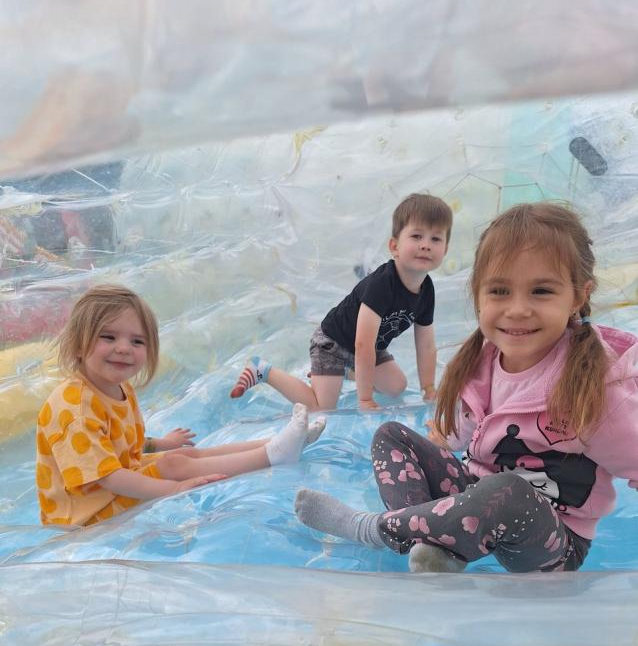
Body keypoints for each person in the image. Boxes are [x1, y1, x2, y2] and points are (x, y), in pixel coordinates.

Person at [294, 202, 638, 573]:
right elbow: (473, 425)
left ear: (579, 296)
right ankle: (431, 547)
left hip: (551, 539)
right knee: (391, 436)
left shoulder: (593, 384)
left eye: (541, 291)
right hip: (476, 497)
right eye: (499, 291)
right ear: (478, 294)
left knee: (509, 490)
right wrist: (444, 438)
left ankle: (375, 529)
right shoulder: (485, 359)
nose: (517, 309)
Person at [36, 284, 325, 527]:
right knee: (175, 465)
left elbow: (112, 442)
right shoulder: (75, 408)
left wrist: (159, 443)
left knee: (185, 454)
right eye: (108, 337)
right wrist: (173, 489)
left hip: (110, 488)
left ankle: (275, 444)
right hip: (87, 516)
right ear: (78, 344)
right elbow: (109, 477)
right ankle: (273, 456)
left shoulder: (116, 387)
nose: (123, 348)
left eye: (137, 341)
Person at [230, 193, 453, 411]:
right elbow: (362, 344)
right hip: (333, 344)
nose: (426, 245)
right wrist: (365, 398)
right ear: (394, 246)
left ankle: (345, 372)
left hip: (369, 349)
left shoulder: (427, 290)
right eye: (417, 236)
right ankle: (263, 371)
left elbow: (426, 345)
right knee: (322, 407)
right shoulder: (383, 284)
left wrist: (428, 387)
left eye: (435, 239)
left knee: (396, 387)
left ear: (445, 250)